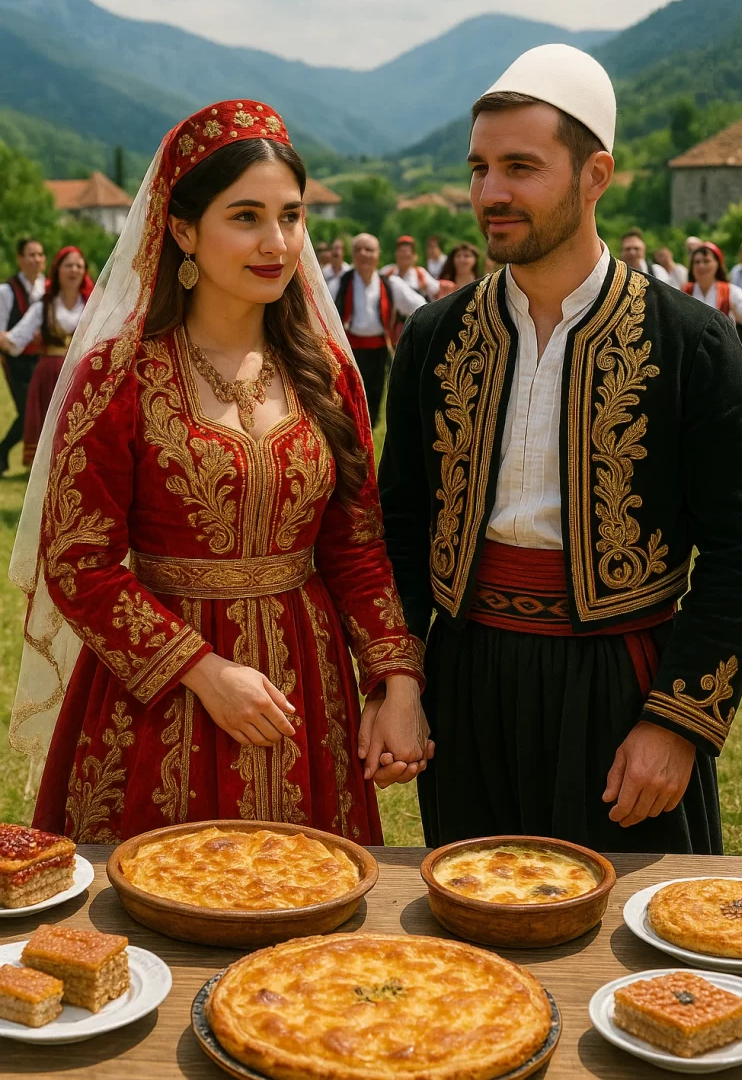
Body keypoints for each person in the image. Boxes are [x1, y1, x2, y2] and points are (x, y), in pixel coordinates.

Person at [379, 44, 742, 856]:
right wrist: (401, 680)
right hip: (468, 679)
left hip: (621, 681)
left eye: (521, 167)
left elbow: (741, 551)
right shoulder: (434, 336)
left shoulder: (694, 342)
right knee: (476, 935)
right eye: (480, 168)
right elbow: (400, 529)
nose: (491, 193)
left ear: (596, 175)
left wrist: (677, 722)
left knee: (634, 948)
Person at [9, 100, 431, 844]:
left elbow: (356, 547)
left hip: (308, 688)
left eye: (291, 216)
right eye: (246, 217)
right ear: (180, 231)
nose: (277, 243)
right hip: (160, 706)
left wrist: (395, 681)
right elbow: (81, 565)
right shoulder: (120, 377)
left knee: (309, 932)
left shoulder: (326, 373)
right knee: (161, 913)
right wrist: (203, 673)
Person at [0, 247, 93, 466]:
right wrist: (6, 339)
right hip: (50, 374)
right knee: (50, 426)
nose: (74, 270)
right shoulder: (45, 305)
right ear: (58, 270)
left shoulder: (92, 304)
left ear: (84, 271)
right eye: (68, 265)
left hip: (81, 374)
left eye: (79, 266)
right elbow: (16, 339)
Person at [334, 233, 425, 427]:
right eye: (358, 250)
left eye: (369, 250)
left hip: (379, 350)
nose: (364, 254)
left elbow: (420, 307)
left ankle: (368, 435)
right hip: (348, 351)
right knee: (346, 398)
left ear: (378, 255)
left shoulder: (391, 284)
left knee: (373, 396)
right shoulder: (340, 283)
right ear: (352, 254)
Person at [0, 238, 46, 474]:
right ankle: (4, 451)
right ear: (19, 259)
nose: (36, 259)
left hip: (42, 359)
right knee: (28, 411)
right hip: (16, 360)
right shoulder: (6, 291)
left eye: (40, 254)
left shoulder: (48, 288)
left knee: (41, 411)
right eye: (30, 254)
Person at [683, 242, 742, 348]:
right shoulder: (684, 292)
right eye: (697, 262)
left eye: (706, 261)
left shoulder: (730, 291)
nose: (701, 266)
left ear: (717, 264)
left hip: (720, 354)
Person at [382, 236, 439, 301]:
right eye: (401, 251)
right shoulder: (387, 272)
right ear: (396, 254)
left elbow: (438, 290)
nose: (403, 254)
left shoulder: (420, 274)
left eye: (407, 251)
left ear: (414, 256)